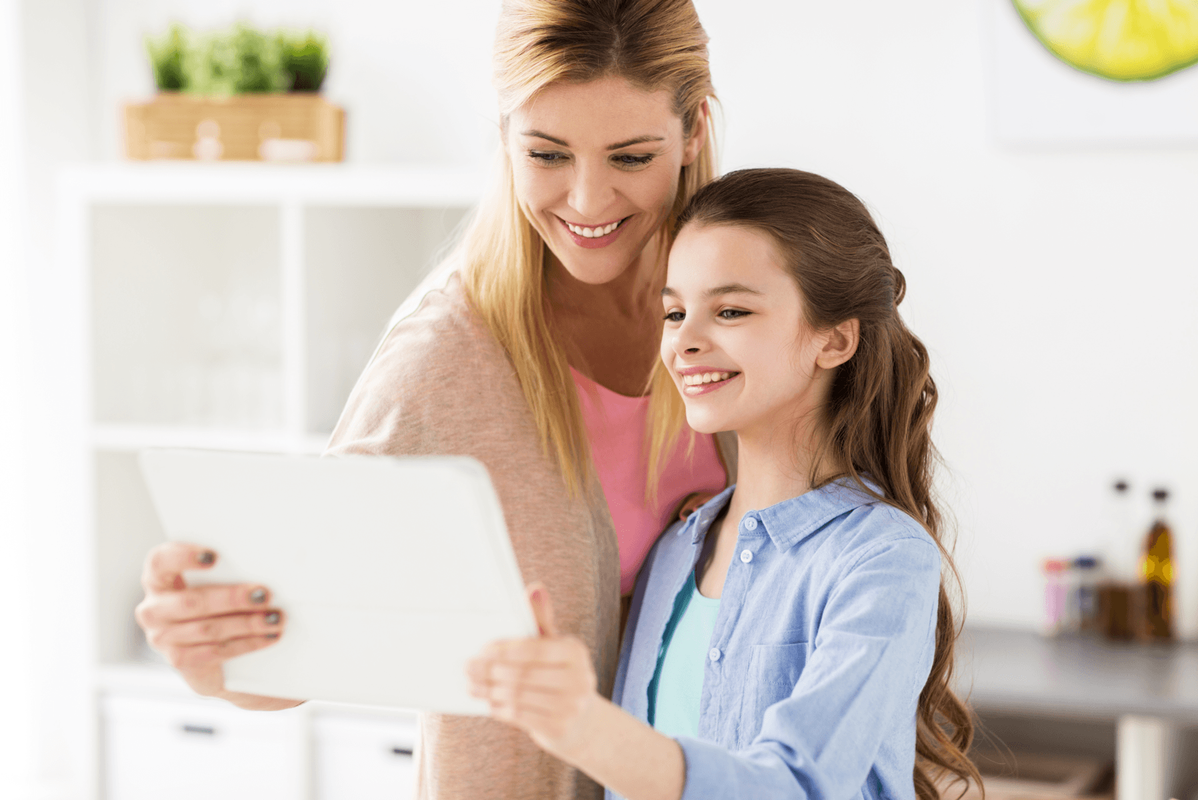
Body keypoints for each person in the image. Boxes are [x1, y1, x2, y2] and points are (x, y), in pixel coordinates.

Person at [134, 2, 731, 799]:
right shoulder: (450, 354)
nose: (588, 201)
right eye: (547, 154)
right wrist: (215, 655)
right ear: (503, 134)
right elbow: (316, 629)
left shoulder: (753, 311)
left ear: (692, 128)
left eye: (629, 156)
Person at [466, 168, 983, 800]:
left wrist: (582, 725)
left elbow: (797, 786)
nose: (685, 340)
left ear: (835, 338)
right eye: (675, 312)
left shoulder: (882, 559)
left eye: (730, 310)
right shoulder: (675, 552)